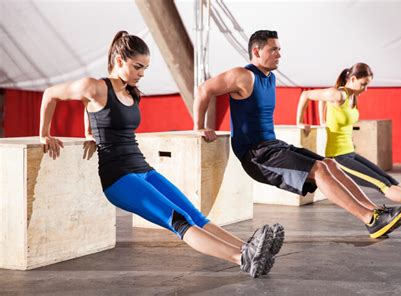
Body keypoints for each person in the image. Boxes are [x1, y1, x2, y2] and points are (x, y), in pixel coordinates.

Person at [39, 31, 283, 278]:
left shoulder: (130, 91)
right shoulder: (94, 86)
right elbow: (51, 94)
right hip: (119, 178)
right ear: (119, 59)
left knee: (195, 215)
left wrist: (89, 131)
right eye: (137, 67)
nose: (141, 73)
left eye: (145, 68)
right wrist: (44, 133)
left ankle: (249, 248)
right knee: (178, 221)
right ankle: (242, 258)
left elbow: (94, 111)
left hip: (143, 169)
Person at [194, 30, 401, 239]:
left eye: (279, 49)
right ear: (256, 51)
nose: (279, 54)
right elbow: (204, 89)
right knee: (319, 169)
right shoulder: (243, 75)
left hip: (273, 146)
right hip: (256, 155)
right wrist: (199, 126)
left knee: (330, 164)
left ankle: (376, 212)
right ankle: (369, 219)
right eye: (273, 49)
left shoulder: (270, 77)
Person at [296, 63, 401, 212]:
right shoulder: (338, 94)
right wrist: (300, 122)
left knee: (389, 179)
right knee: (382, 185)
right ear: (352, 79)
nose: (365, 89)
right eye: (363, 84)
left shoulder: (353, 96)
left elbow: (328, 109)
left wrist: (325, 119)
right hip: (338, 157)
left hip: (350, 152)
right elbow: (306, 95)